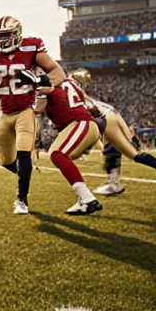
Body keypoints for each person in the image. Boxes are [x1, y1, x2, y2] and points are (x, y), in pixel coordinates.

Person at [0, 16, 65, 215]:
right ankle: (25, 172)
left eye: (6, 35)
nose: (2, 40)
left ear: (16, 34)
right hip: (5, 114)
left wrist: (37, 81)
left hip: (25, 110)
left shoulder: (31, 47)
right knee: (6, 161)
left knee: (24, 152)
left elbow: (59, 74)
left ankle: (22, 199)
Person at [70, 70, 156, 197]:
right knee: (111, 150)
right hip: (111, 117)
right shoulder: (82, 96)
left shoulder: (76, 97)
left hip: (107, 120)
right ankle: (114, 183)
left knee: (133, 154)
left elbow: (89, 116)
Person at [34, 73, 102, 215]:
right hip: (80, 124)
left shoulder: (50, 90)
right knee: (57, 154)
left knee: (58, 154)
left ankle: (88, 198)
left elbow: (38, 108)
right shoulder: (68, 84)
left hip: (79, 123)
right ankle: (83, 199)